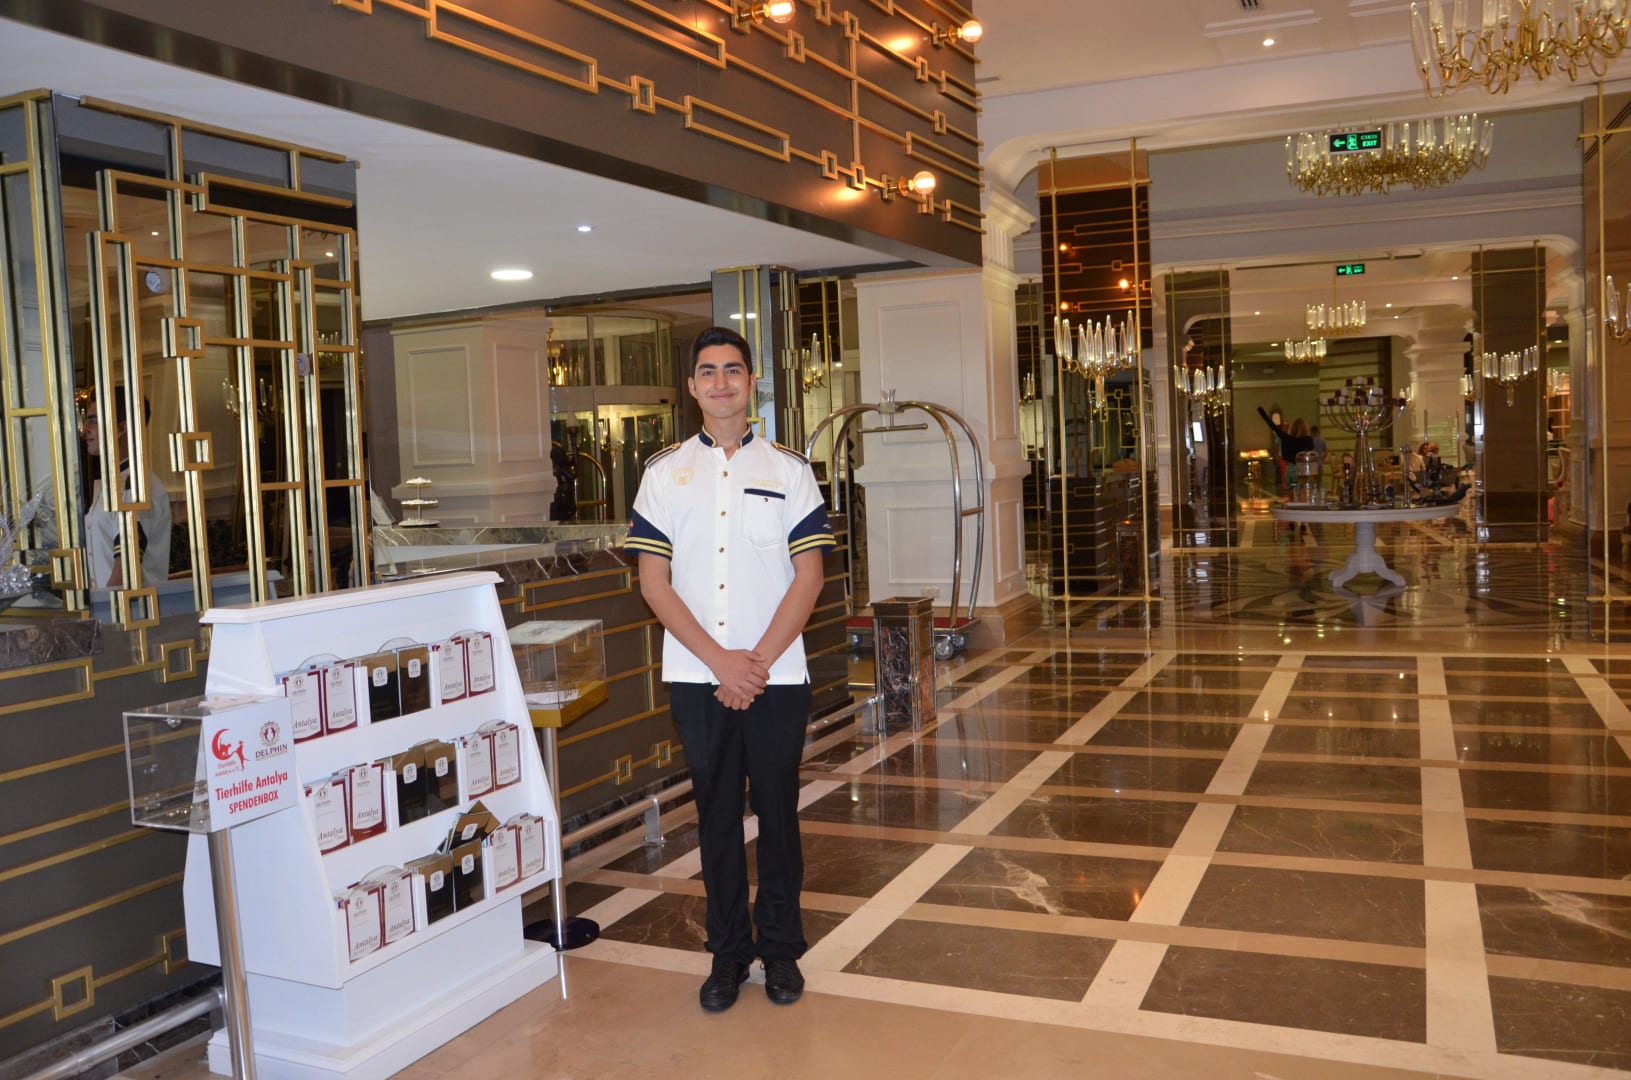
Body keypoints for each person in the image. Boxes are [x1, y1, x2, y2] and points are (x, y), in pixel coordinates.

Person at [624, 326, 835, 1014]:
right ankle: (726, 954)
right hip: (697, 678)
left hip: (777, 677)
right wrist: (720, 663)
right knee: (715, 817)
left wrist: (756, 664)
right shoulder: (663, 474)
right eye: (709, 371)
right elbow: (653, 583)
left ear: (751, 382)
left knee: (778, 815)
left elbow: (809, 576)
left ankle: (780, 951)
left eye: (733, 370)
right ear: (692, 387)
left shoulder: (789, 470)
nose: (721, 382)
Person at [82, 391, 170, 589]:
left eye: (93, 421)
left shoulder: (135, 484)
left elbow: (126, 571)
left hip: (128, 605)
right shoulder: (116, 482)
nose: (85, 429)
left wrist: (107, 605)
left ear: (121, 428)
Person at [1255, 407, 1314, 493]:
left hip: (1291, 471)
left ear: (1293, 428)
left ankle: (1291, 498)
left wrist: (1263, 414)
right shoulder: (1308, 440)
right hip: (1304, 471)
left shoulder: (1287, 438)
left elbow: (1273, 426)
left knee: (1291, 492)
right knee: (1304, 492)